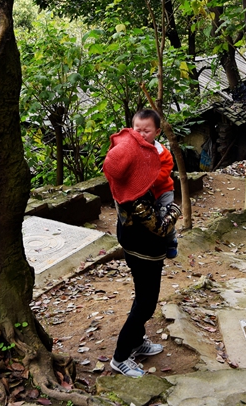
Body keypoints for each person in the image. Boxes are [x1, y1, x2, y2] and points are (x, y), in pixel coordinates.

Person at [102, 124, 182, 378]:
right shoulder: (137, 197)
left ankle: (137, 341)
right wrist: (175, 211)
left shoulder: (124, 182)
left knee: (142, 296)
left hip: (132, 243)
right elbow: (159, 227)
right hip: (144, 250)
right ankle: (121, 356)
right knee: (146, 303)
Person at [132, 109, 178, 258]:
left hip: (163, 190)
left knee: (165, 217)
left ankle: (171, 241)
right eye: (138, 130)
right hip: (142, 192)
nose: (142, 134)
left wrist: (145, 179)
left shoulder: (163, 153)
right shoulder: (130, 149)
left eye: (146, 131)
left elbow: (163, 174)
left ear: (157, 132)